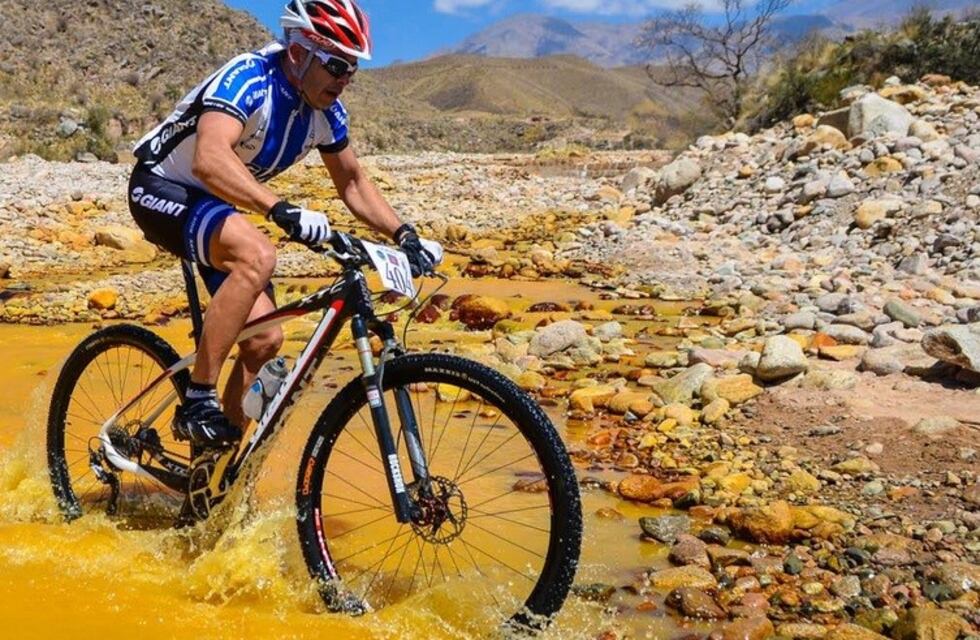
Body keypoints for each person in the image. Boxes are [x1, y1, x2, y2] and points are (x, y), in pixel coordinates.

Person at [127, 0, 441, 447]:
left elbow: (351, 181)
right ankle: (198, 399)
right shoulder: (250, 78)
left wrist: (404, 235)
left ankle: (216, 471)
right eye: (336, 64)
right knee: (258, 254)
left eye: (352, 68)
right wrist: (280, 210)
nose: (344, 78)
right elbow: (210, 158)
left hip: (217, 202)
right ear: (298, 53)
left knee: (265, 340)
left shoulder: (327, 113)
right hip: (163, 187)